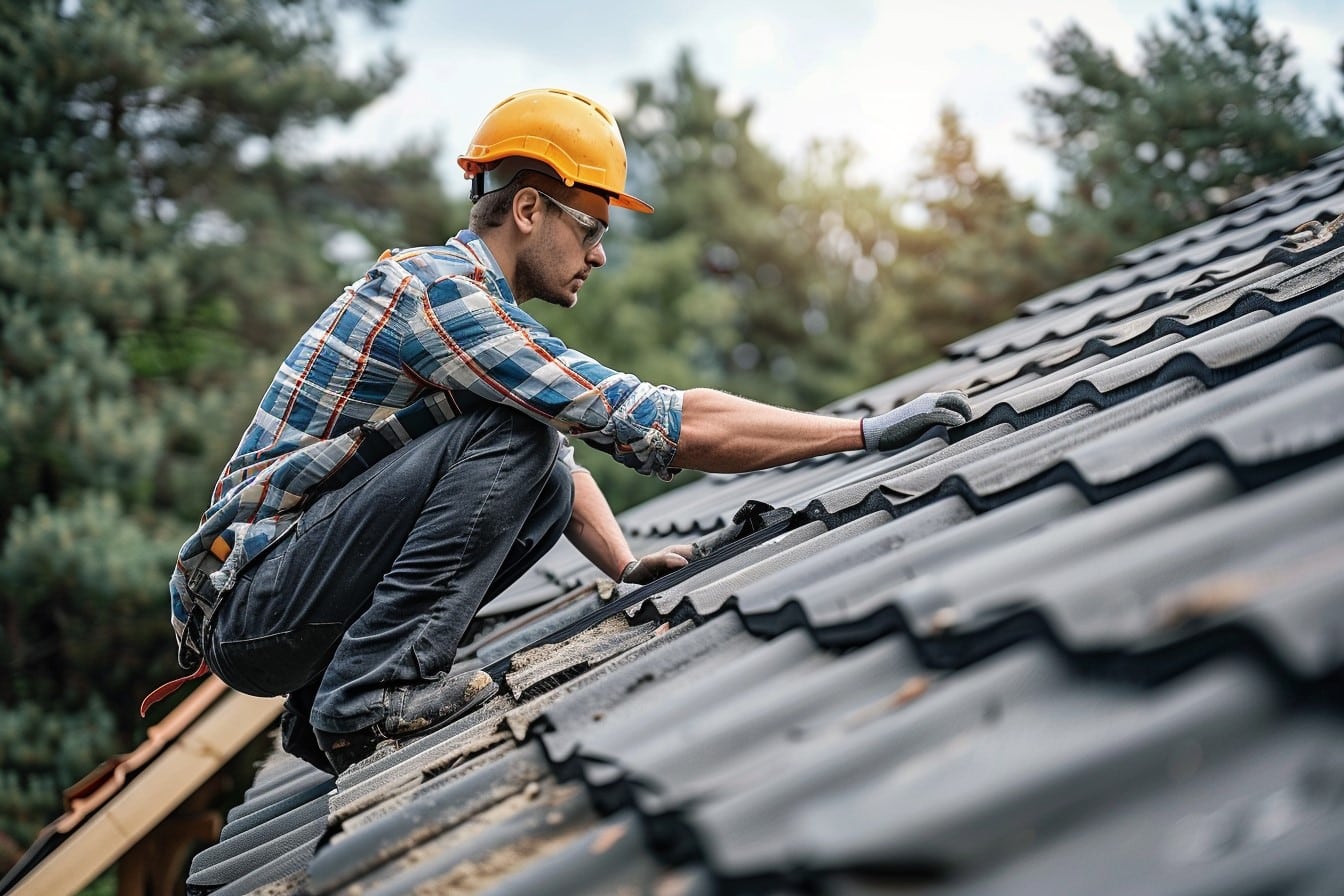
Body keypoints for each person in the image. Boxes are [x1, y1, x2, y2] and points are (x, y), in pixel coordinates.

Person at [157, 87, 973, 775]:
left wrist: (622, 564)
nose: (600, 256)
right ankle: (364, 697)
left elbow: (563, 473)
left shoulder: (464, 310)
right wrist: (861, 435)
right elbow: (658, 421)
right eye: (592, 229)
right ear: (526, 209)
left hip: (274, 603)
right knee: (518, 445)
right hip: (256, 601)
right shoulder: (444, 299)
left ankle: (324, 706)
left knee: (539, 468)